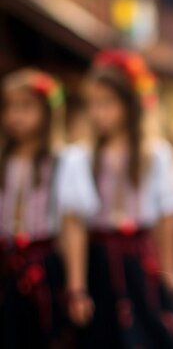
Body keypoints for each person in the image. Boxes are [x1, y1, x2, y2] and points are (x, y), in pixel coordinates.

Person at [57, 49, 173, 348]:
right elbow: (74, 224)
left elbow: (167, 219)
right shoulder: (81, 157)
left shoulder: (154, 155)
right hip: (99, 262)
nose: (99, 113)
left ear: (130, 105)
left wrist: (167, 276)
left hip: (141, 263)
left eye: (108, 103)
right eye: (94, 104)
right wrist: (77, 287)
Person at [0, 69, 73, 347]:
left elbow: (68, 224)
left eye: (26, 107)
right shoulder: (4, 159)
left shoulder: (59, 161)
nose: (15, 116)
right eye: (9, 107)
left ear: (46, 112)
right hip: (7, 261)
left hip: (44, 260)